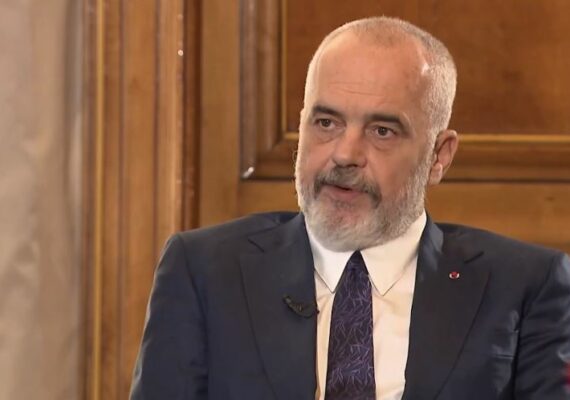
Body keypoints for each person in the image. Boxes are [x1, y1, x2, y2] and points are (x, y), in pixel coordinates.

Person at [129, 16, 570, 400]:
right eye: (326, 123)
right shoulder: (204, 271)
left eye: (382, 131)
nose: (344, 154)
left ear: (439, 156)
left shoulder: (524, 285)